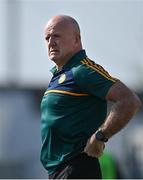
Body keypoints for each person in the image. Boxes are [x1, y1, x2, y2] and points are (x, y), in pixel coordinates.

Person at [40, 14, 141, 179]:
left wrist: (101, 136)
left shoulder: (82, 70)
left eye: (56, 36)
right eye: (47, 38)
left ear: (76, 39)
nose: (51, 42)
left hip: (77, 168)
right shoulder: (60, 75)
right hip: (60, 171)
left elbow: (130, 100)